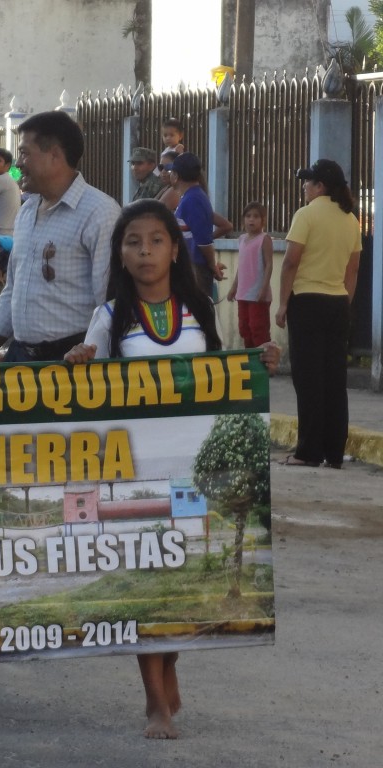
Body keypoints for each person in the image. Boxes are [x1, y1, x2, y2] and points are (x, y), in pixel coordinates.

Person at [64, 199, 279, 739]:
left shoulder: (199, 308)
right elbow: (86, 388)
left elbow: (224, 373)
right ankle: (154, 699)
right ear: (119, 252)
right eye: (133, 242)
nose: (144, 252)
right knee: (145, 579)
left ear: (175, 248)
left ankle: (171, 665)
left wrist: (261, 360)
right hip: (131, 471)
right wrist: (79, 363)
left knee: (184, 576)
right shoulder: (111, 317)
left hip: (190, 469)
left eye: (156, 241)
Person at [0, 111, 120, 364]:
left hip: (72, 363)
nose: (18, 163)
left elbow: (108, 302)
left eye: (25, 153)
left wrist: (95, 360)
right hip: (20, 358)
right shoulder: (27, 211)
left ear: (55, 155)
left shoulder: (100, 212)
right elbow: (13, 288)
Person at [275, 159, 361, 469]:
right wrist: (344, 303)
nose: (304, 186)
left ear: (320, 186)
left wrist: (283, 303)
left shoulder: (306, 215)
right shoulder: (351, 220)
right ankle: (334, 453)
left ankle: (308, 452)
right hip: (337, 304)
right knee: (334, 381)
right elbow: (353, 270)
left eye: (308, 181)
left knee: (308, 379)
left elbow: (290, 262)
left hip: (307, 302)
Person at [167, 152, 225, 297]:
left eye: (170, 172)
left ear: (176, 175)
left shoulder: (193, 199)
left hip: (196, 268)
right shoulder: (190, 197)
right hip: (190, 266)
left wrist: (212, 266)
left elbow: (204, 241)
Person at [227, 201, 273, 347]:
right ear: (243, 220)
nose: (251, 220)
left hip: (258, 294)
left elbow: (269, 265)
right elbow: (241, 267)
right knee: (244, 328)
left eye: (256, 216)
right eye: (248, 216)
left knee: (258, 328)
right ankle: (250, 359)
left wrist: (263, 289)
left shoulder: (264, 239)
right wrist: (234, 287)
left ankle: (264, 363)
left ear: (263, 220)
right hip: (243, 293)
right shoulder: (241, 239)